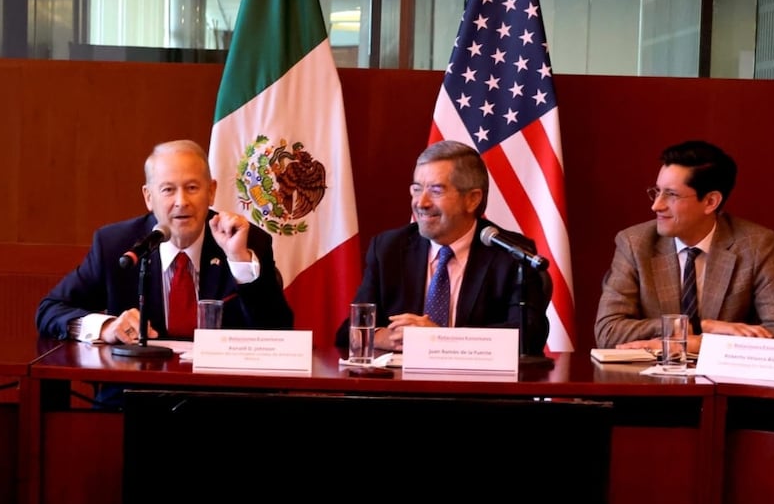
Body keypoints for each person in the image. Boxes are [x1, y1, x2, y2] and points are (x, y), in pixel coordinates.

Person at [37, 139, 293, 344]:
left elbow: (279, 333)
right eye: (168, 190)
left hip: (220, 399)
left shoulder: (245, 240)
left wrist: (239, 261)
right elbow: (50, 310)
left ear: (212, 191)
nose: (181, 201)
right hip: (133, 395)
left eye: (192, 187)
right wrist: (106, 327)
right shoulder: (116, 245)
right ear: (149, 197)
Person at [336, 140, 550, 355]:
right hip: (401, 384)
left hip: (476, 385)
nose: (421, 202)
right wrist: (390, 337)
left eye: (436, 191)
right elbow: (350, 331)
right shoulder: (388, 249)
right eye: (416, 189)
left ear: (472, 199)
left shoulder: (510, 254)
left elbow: (528, 336)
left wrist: (440, 339)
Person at [594, 140, 774, 351]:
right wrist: (697, 327)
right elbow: (608, 332)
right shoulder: (634, 243)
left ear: (711, 202)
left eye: (671, 195)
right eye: (657, 191)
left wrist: (700, 346)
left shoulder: (755, 244)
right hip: (650, 380)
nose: (656, 205)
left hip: (724, 382)